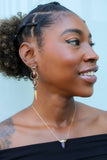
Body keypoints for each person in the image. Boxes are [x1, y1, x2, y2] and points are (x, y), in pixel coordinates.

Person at [0, 1, 107, 159]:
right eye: (74, 42)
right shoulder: (4, 141)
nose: (93, 54)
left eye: (91, 44)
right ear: (30, 55)